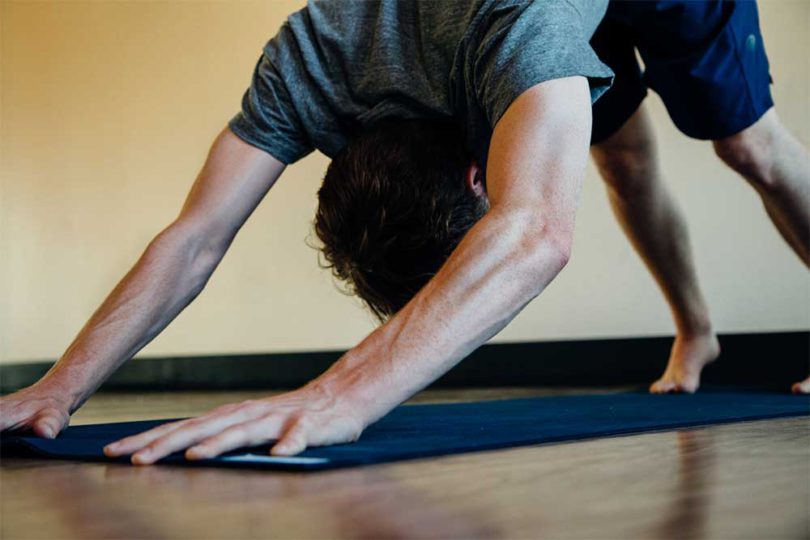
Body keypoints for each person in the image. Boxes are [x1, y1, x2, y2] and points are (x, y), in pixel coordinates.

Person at [0, 1, 806, 465]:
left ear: (473, 176)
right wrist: (58, 388)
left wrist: (339, 395)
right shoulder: (310, 61)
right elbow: (198, 232)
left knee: (749, 146)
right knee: (623, 158)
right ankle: (697, 334)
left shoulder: (517, 35)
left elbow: (534, 235)